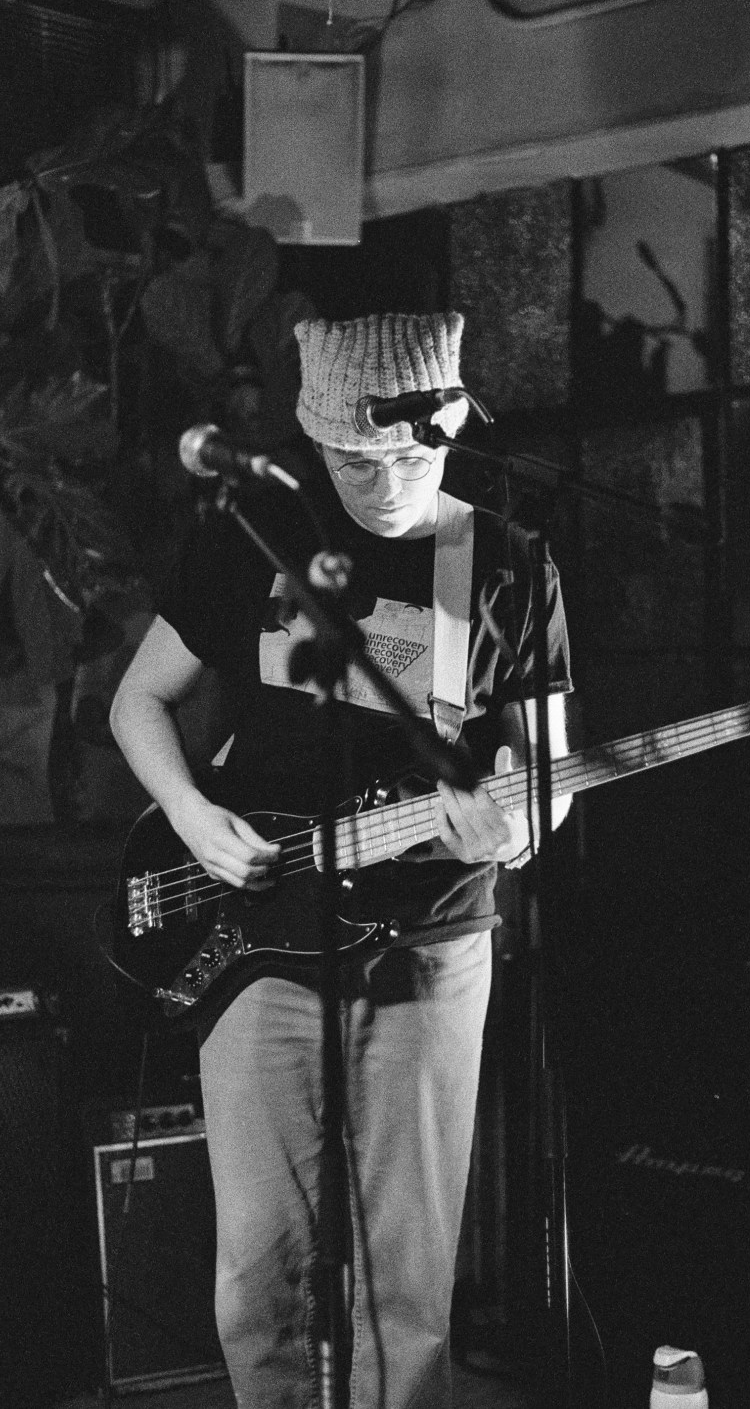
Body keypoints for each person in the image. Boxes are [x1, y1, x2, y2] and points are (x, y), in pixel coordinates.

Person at [109, 310, 572, 1409]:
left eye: (411, 452)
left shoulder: (505, 562)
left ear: (450, 426)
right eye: (355, 461)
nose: (387, 480)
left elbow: (547, 778)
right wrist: (190, 813)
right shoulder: (254, 535)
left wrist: (512, 827)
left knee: (406, 1283)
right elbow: (137, 701)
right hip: (257, 938)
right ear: (316, 442)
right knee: (257, 1272)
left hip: (429, 938)